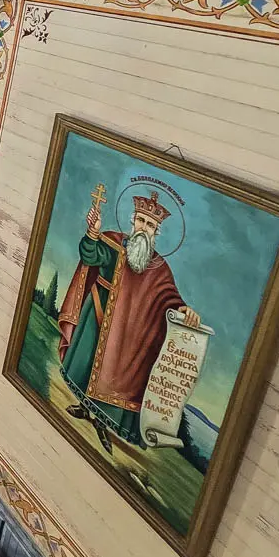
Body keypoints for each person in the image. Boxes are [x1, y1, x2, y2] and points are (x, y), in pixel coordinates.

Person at [56, 190, 202, 452]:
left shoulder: (159, 268)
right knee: (88, 365)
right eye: (142, 221)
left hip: (128, 335)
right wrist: (93, 233)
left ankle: (102, 423)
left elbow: (169, 297)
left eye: (151, 225)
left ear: (156, 231)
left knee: (115, 377)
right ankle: (84, 408)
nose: (144, 228)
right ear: (133, 220)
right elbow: (91, 255)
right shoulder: (113, 242)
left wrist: (184, 310)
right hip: (98, 315)